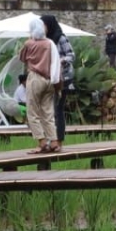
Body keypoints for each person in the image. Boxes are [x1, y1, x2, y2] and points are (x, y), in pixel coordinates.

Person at [19, 16, 61, 154]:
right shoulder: (50, 43)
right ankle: (54, 141)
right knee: (48, 112)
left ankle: (42, 142)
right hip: (49, 80)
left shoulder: (28, 44)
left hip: (35, 78)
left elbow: (22, 58)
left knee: (33, 112)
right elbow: (56, 62)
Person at [41, 15, 75, 145]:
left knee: (57, 109)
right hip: (48, 78)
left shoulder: (60, 38)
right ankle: (50, 138)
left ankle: (59, 139)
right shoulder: (43, 40)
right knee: (47, 109)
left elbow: (71, 55)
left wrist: (60, 61)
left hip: (62, 78)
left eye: (44, 25)